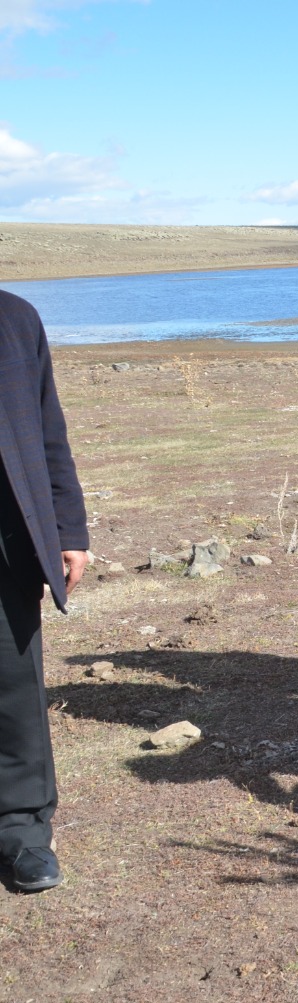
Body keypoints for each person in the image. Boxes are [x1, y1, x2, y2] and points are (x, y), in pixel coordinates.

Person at [1, 290, 89, 892]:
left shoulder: (14, 318)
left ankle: (22, 830)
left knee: (13, 687)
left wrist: (68, 529)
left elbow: (47, 429)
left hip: (6, 536)